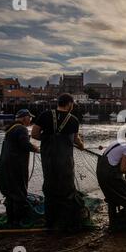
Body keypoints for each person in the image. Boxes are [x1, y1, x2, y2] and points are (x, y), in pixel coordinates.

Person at [31, 93, 88, 230]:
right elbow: (76, 140)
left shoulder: (45, 115)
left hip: (48, 159)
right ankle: (66, 220)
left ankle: (50, 221)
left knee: (50, 187)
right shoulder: (73, 120)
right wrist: (81, 145)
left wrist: (47, 141)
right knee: (67, 188)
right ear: (69, 103)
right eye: (72, 104)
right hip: (65, 160)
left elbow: (34, 134)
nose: (72, 106)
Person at [0, 109, 39, 226]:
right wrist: (36, 149)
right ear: (24, 118)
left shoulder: (10, 129)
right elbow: (24, 144)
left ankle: (10, 220)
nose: (30, 120)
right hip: (16, 166)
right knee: (19, 193)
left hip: (5, 165)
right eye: (29, 118)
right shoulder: (21, 129)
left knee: (10, 193)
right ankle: (18, 221)